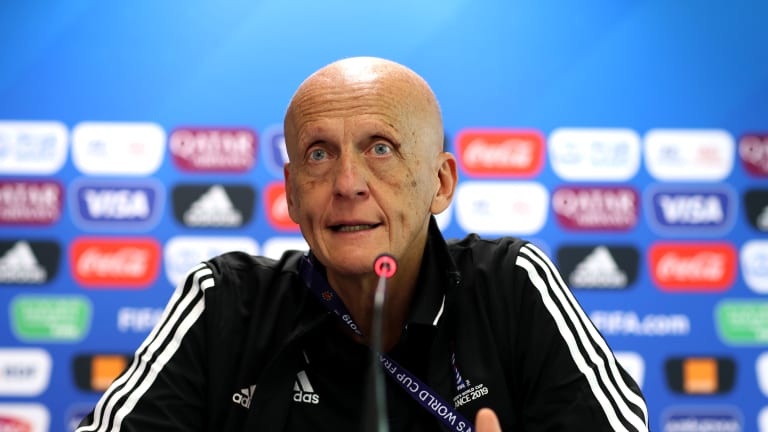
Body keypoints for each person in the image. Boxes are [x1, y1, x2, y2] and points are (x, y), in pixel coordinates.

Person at [76, 56, 649, 431]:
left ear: (441, 183)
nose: (347, 183)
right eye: (318, 154)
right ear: (291, 193)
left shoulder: (511, 286)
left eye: (381, 148)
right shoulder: (224, 300)